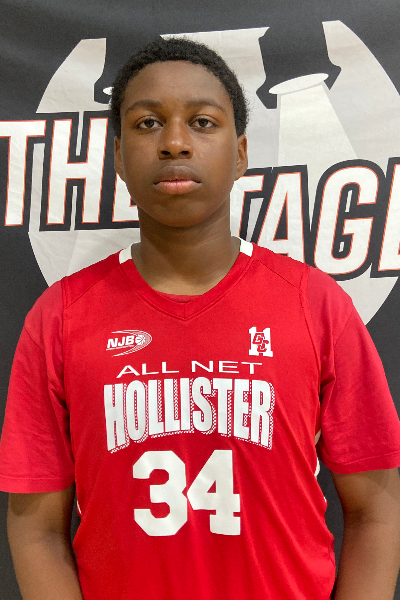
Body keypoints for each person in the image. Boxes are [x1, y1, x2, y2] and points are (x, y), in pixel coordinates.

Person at [1, 37, 400, 600]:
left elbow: (377, 510)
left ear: (240, 154)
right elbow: (36, 529)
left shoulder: (316, 304)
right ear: (118, 157)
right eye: (147, 124)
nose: (174, 142)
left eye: (203, 122)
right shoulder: (60, 317)